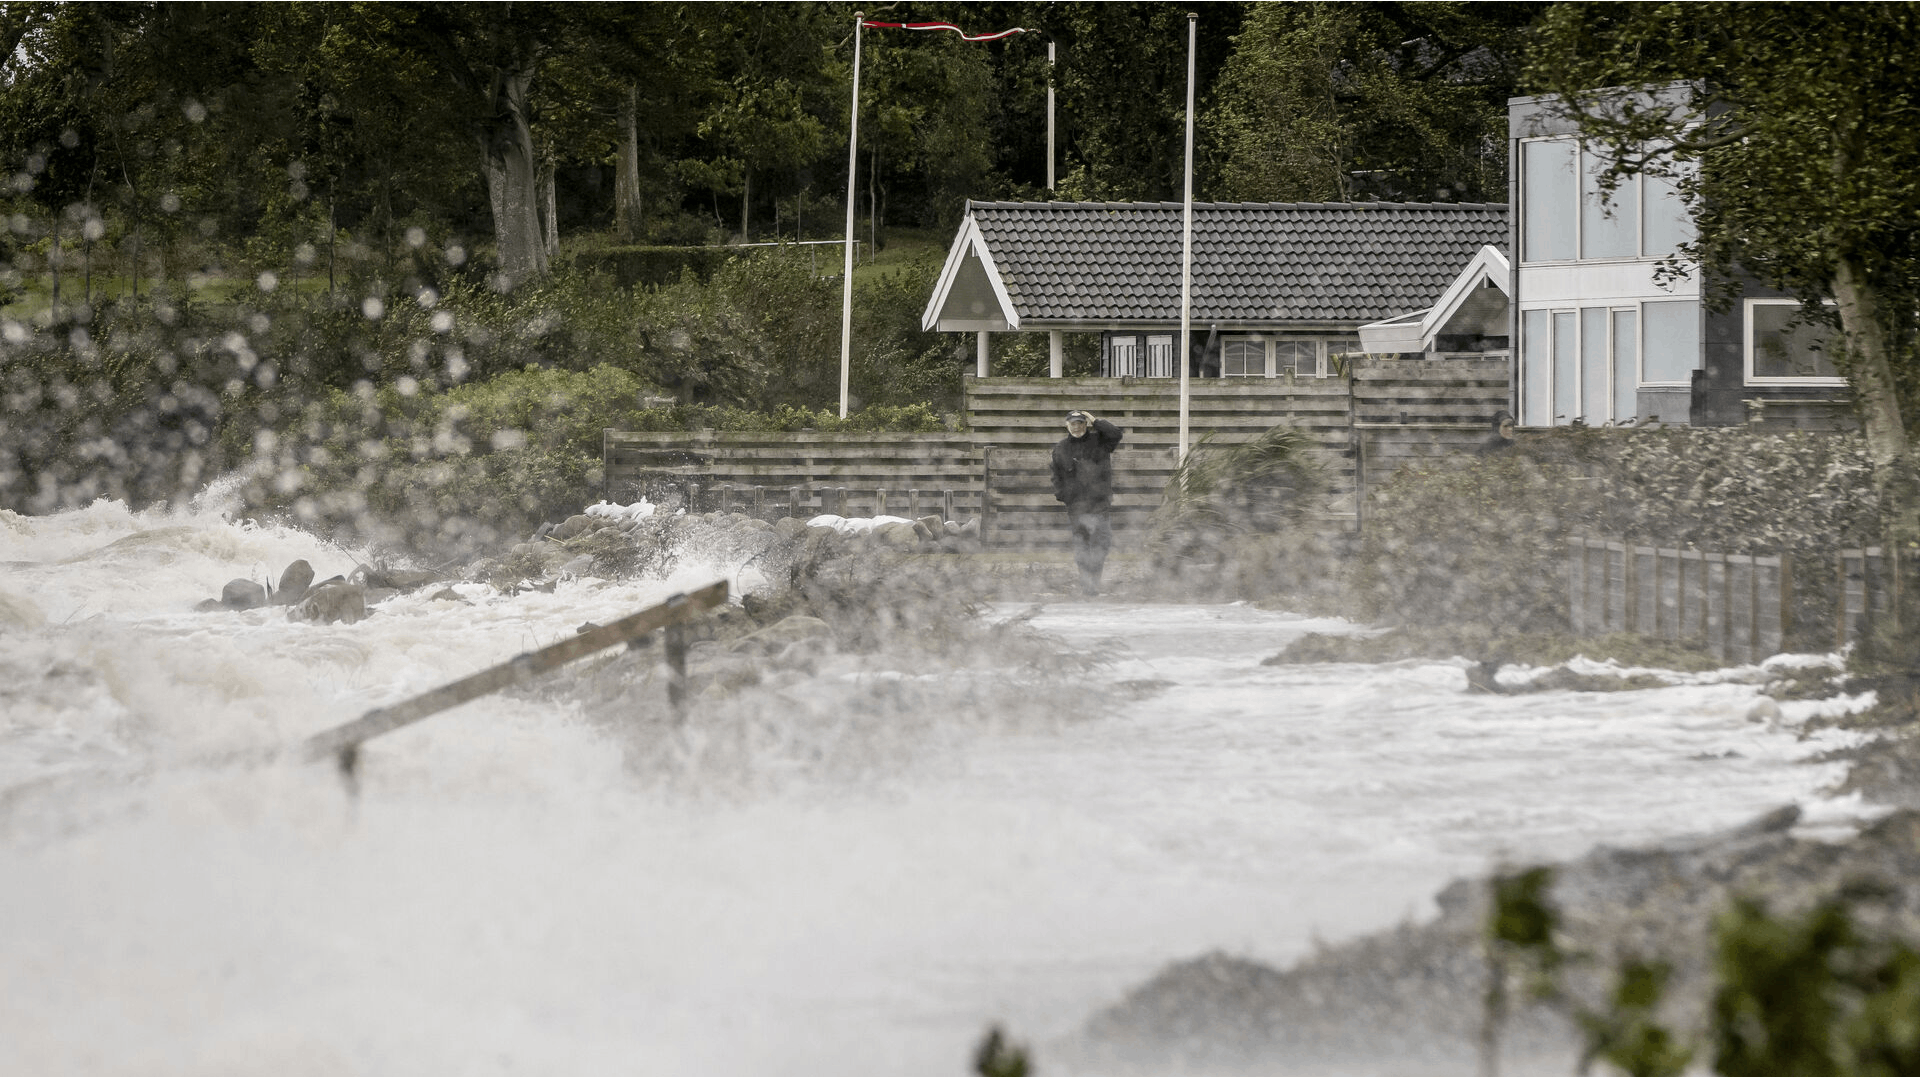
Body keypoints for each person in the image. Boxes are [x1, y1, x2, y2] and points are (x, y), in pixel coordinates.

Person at [1050, 409, 1124, 595]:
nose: (1076, 427)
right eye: (1073, 424)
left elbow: (1116, 434)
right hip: (1076, 506)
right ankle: (1086, 586)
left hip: (1099, 503)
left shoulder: (1099, 441)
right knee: (1082, 546)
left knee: (1101, 544)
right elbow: (1056, 476)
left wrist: (1095, 420)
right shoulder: (1060, 448)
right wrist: (1064, 495)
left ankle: (1094, 583)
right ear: (1067, 425)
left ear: (1086, 425)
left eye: (1080, 423)